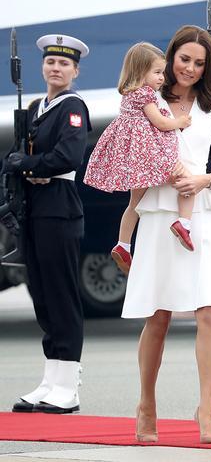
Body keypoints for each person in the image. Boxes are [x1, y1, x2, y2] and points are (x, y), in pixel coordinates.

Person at [120, 25, 211, 444]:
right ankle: (146, 404)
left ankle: (206, 409)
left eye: (199, 63)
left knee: (209, 312)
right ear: (170, 58)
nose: (189, 68)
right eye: (184, 59)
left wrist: (204, 181)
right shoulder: (148, 98)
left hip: (201, 212)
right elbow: (130, 149)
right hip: (158, 209)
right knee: (160, 315)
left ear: (207, 68)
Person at [6, 34, 91, 414]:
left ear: (75, 71)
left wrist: (28, 165)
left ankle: (68, 386)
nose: (55, 69)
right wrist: (22, 163)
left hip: (59, 206)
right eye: (50, 63)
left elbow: (68, 156)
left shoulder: (73, 106)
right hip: (36, 208)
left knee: (61, 296)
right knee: (41, 294)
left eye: (64, 64)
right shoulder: (40, 106)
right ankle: (51, 380)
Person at [83, 42, 194, 275]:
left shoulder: (128, 94)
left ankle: (123, 244)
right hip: (147, 156)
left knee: (134, 204)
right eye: (156, 72)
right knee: (186, 179)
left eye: (162, 72)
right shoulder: (145, 94)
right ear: (139, 71)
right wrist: (180, 122)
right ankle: (183, 223)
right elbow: (161, 123)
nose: (161, 78)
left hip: (134, 157)